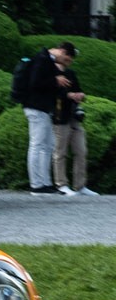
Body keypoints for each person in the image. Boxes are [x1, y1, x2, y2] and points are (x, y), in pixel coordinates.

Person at [21, 41, 77, 195]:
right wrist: (55, 80)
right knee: (37, 144)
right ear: (63, 52)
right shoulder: (42, 59)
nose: (66, 64)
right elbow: (35, 83)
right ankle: (36, 184)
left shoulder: (47, 59)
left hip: (43, 108)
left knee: (48, 144)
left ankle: (45, 182)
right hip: (36, 107)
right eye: (67, 59)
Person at [52, 51, 95, 196]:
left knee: (81, 151)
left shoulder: (71, 73)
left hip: (74, 115)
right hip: (59, 116)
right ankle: (61, 184)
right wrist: (68, 95)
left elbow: (79, 90)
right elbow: (51, 92)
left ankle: (80, 185)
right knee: (60, 152)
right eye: (67, 56)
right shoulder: (50, 71)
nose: (69, 59)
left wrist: (80, 95)